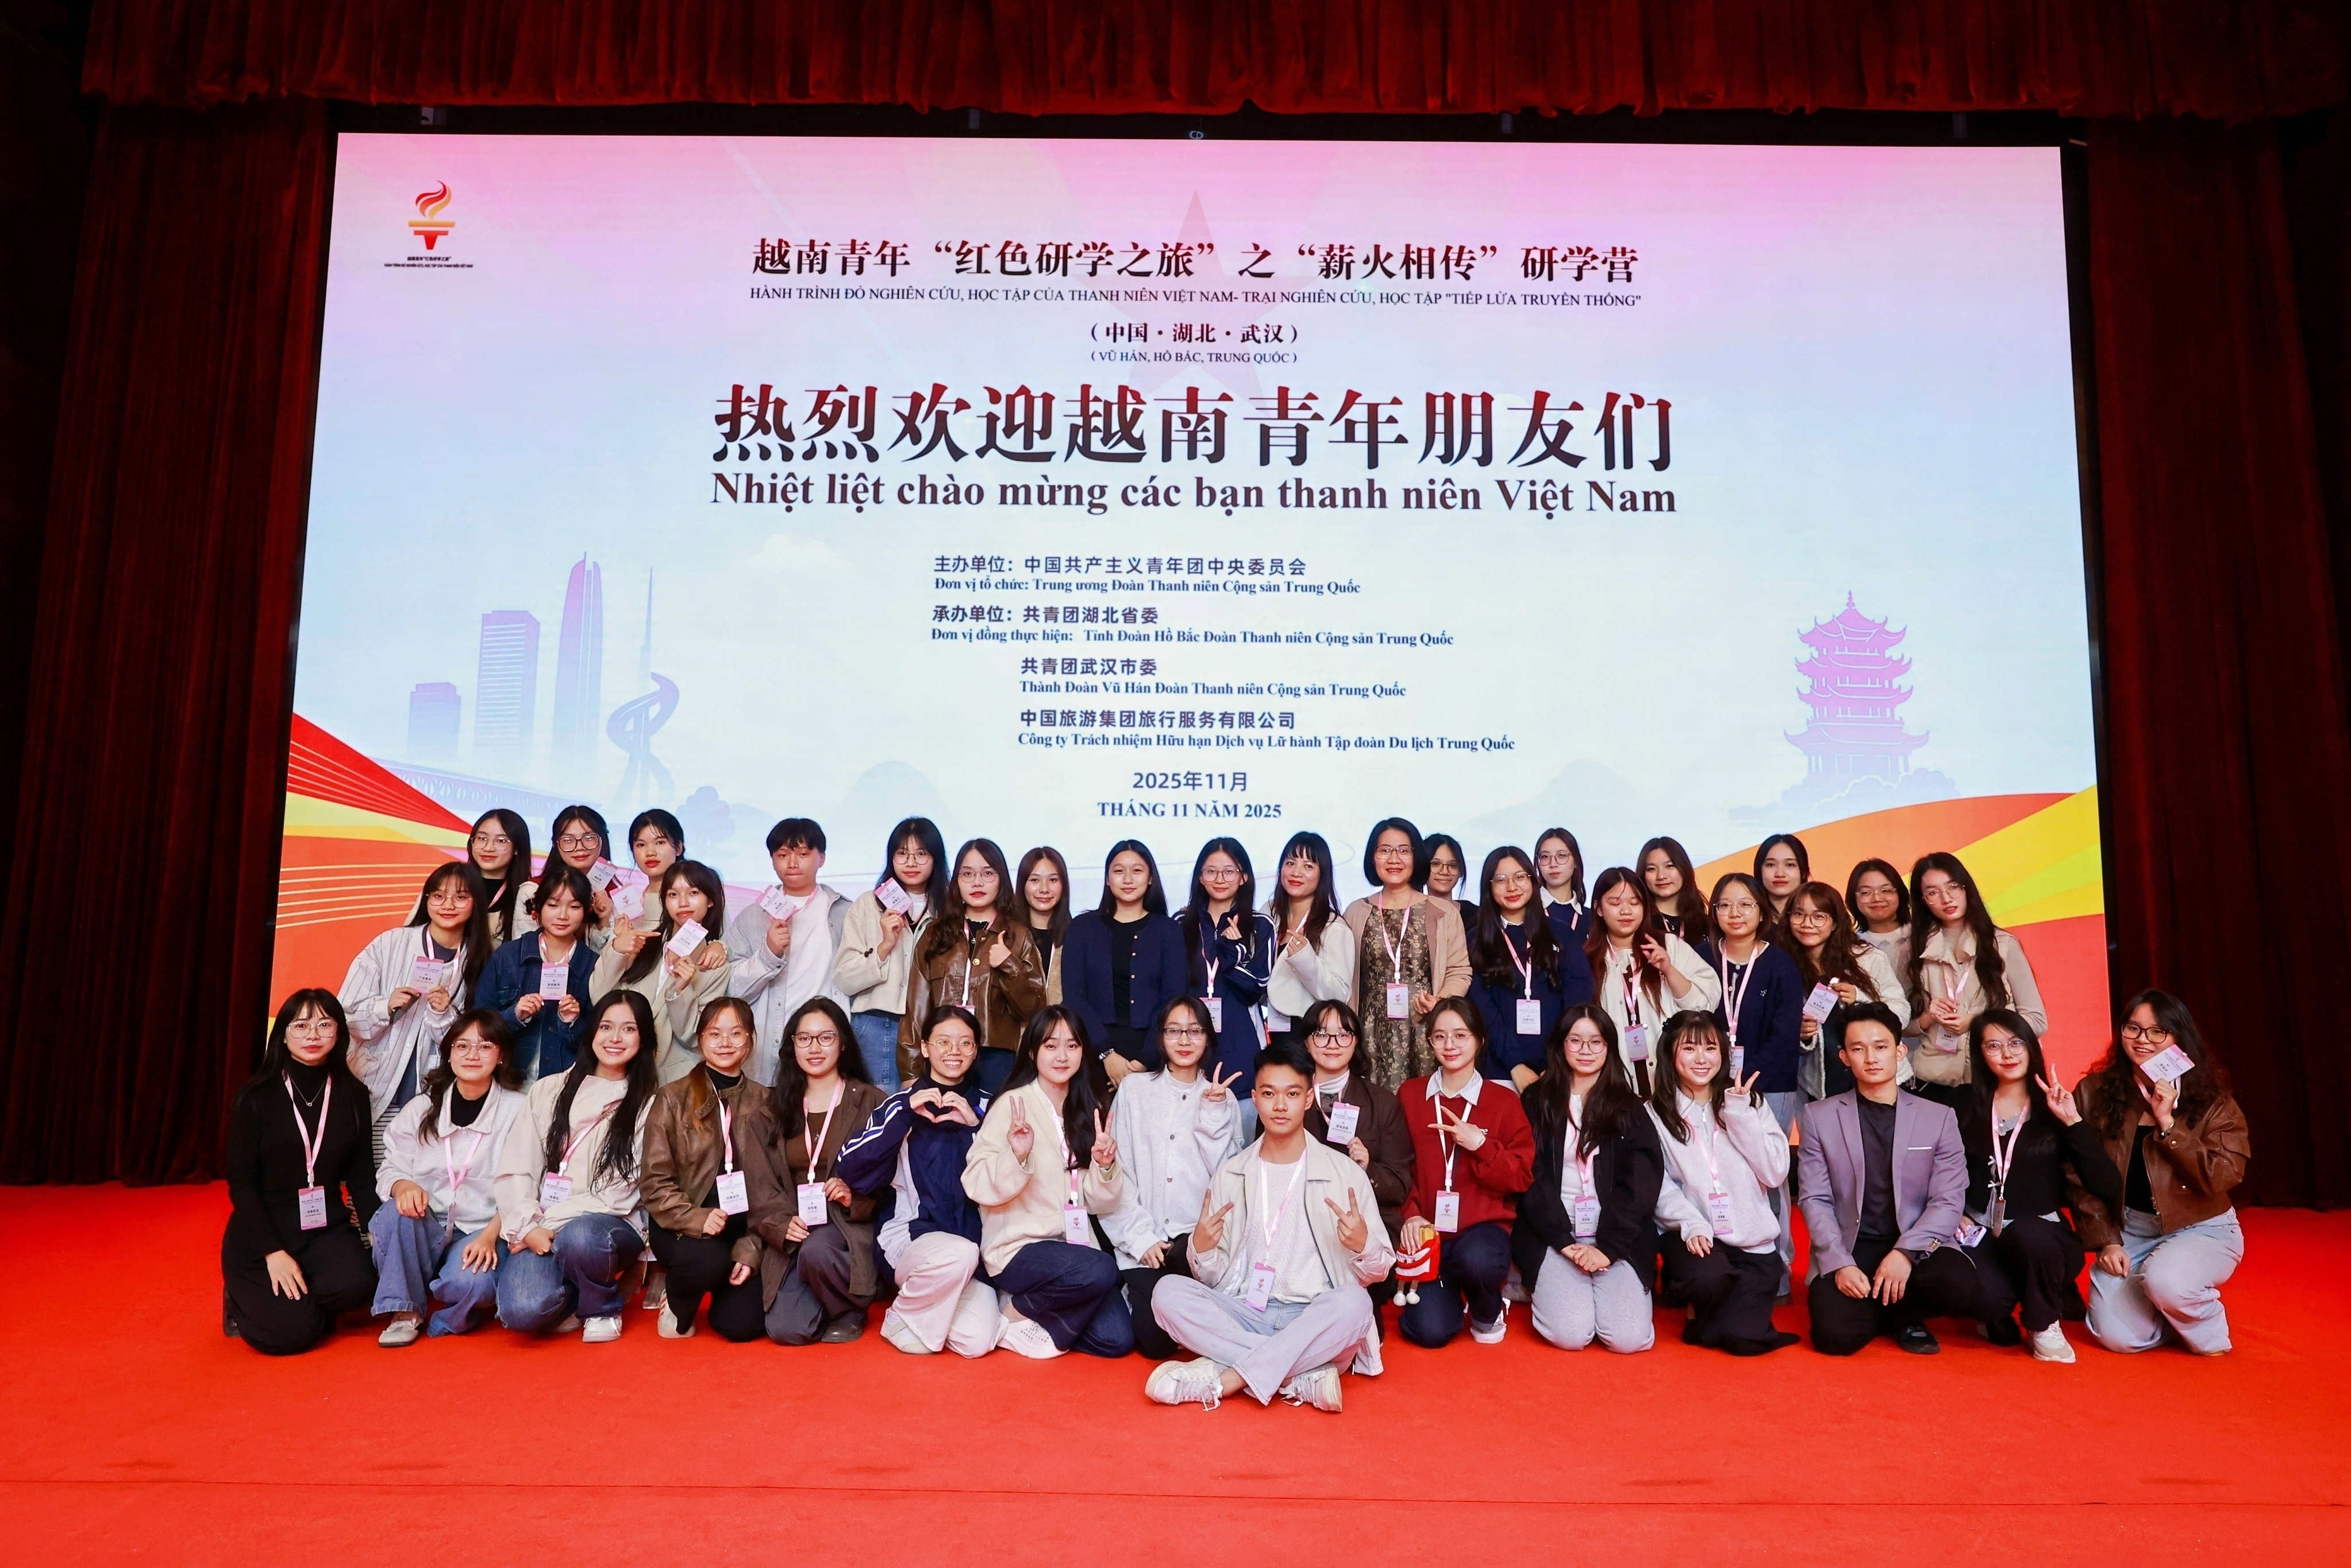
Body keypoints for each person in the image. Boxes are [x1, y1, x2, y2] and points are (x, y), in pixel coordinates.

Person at [1144, 1036, 1395, 1413]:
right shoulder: (1232, 1173)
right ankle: (1298, 1375)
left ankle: (1227, 1377)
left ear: (1308, 1098)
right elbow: (1211, 1278)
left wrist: (1363, 1246)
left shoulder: (1344, 1173)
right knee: (1166, 1293)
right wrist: (1201, 1248)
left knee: (1356, 1304)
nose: (1280, 1105)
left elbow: (1379, 1271)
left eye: (1292, 1094)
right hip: (1246, 1312)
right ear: (1255, 1098)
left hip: (1312, 1316)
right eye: (1268, 1093)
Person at [2070, 990, 2250, 1356]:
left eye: (2158, 1032)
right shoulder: (2094, 1093)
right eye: (2133, 1028)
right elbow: (2076, 1173)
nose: (2143, 1040)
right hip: (2130, 1230)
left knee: (2167, 1282)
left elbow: (2223, 1177)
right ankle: (2169, 1311)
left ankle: (2200, 1322)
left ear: (2179, 1037)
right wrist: (2106, 1239)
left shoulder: (2212, 1099)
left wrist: (2169, 1124)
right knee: (2118, 1339)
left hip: (2201, 1227)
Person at [1796, 1003, 1981, 1354]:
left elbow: (1948, 1200)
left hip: (1913, 1240)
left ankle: (1902, 1313)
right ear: (1844, 1057)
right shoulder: (1819, 1117)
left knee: (1962, 1285)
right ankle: (1892, 1311)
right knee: (1835, 1339)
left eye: (1881, 1047)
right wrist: (1839, 1262)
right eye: (1858, 1049)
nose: (1871, 1058)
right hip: (1852, 1244)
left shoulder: (1939, 1117)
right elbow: (1814, 1199)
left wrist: (1906, 1253)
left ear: (1899, 1052)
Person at [961, 1007, 1132, 1358]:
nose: (1062, 1056)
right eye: (1051, 1046)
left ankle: (1037, 1310)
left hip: (1073, 1247)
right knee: (1102, 1269)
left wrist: (1105, 1167)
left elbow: (1100, 1203)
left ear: (1083, 1051)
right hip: (1019, 1247)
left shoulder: (1088, 1106)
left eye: (1072, 1046)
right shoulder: (1013, 1105)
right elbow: (975, 1183)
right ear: (1032, 1051)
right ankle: (1016, 1309)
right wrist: (1017, 1156)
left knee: (1117, 1339)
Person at [494, 991, 660, 1342]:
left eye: (629, 1029)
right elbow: (518, 1166)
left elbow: (618, 1194)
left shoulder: (650, 1105)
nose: (615, 1038)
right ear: (591, 1031)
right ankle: (575, 1290)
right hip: (541, 1224)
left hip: (608, 1226)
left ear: (644, 1038)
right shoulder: (549, 1090)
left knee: (581, 1236)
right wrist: (526, 1225)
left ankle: (602, 1307)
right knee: (522, 1311)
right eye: (606, 1027)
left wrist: (544, 1224)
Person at [1957, 1010, 2122, 1362]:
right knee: (1985, 1299)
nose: (2007, 1054)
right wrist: (1955, 1211)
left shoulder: (2054, 1108)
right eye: (1994, 1046)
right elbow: (1937, 1169)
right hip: (1978, 1231)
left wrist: (2073, 1121)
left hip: (2041, 1236)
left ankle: (2043, 1321)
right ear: (1979, 1054)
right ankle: (2004, 1305)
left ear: (2032, 1047)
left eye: (2016, 1043)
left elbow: (2106, 1184)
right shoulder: (1962, 1104)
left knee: (2030, 1236)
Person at [837, 1004, 1002, 1357]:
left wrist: (975, 1128)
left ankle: (929, 1308)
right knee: (959, 1253)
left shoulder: (992, 1108)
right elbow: (850, 1168)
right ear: (925, 1048)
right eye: (943, 1042)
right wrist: (905, 1117)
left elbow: (1006, 1179)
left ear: (976, 1051)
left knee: (977, 1341)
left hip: (973, 1248)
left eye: (965, 1043)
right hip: (910, 1238)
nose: (954, 1051)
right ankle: (902, 1314)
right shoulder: (898, 1105)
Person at [221, 991, 379, 1355]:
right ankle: (241, 1299)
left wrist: (380, 1234)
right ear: (283, 1034)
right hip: (265, 1228)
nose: (313, 1035)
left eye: (324, 1025)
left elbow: (361, 1176)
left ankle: (296, 1303)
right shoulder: (255, 1096)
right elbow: (242, 1185)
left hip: (324, 1225)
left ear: (339, 1032)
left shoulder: (353, 1094)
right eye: (301, 1025)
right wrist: (273, 1252)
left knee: (360, 1285)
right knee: (290, 1336)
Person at [367, 1010, 527, 1345]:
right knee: (395, 1213)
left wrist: (491, 1235)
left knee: (471, 1285)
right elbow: (391, 1168)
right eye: (462, 1046)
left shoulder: (519, 1110)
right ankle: (404, 1311)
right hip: (425, 1223)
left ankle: (448, 1310)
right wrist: (403, 1185)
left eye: (485, 1046)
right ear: (449, 1053)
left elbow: (526, 1184)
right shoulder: (421, 1108)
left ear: (501, 1056)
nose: (472, 1055)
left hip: (483, 1229)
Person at [1103, 997, 1248, 1359]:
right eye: (1174, 1031)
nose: (1184, 1041)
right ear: (1161, 1036)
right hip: (1145, 1244)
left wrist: (1214, 1114)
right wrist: (1141, 1238)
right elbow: (1119, 1173)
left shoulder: (1224, 1099)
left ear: (1208, 1037)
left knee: (1177, 1322)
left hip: (1195, 1245)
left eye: (1195, 1031)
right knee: (1154, 1343)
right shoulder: (1135, 1090)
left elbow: (1228, 1182)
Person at [1647, 1010, 1799, 1355]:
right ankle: (1702, 1303)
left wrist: (1740, 1114)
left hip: (1753, 1241)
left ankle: (1706, 1320)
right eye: (1689, 1048)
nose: (1701, 1059)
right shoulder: (1656, 1113)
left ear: (1723, 1054)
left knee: (1743, 1343)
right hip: (1697, 1238)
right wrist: (1692, 1224)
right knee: (1708, 1278)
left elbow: (1775, 1173)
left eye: (1710, 1048)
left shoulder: (1749, 1102)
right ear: (1670, 1053)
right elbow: (1660, 1185)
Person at [738, 997, 887, 1344]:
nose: (815, 1048)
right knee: (787, 1330)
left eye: (826, 1037)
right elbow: (759, 1184)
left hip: (847, 1226)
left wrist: (854, 1197)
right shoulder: (771, 1110)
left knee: (819, 1251)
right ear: (792, 1045)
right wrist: (779, 1223)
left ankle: (849, 1309)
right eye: (804, 1038)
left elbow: (891, 1180)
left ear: (843, 1042)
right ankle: (828, 1291)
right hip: (796, 1226)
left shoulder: (872, 1102)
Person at [1515, 1005, 1662, 1353]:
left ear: (1609, 1046)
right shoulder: (1536, 1101)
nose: (1585, 1050)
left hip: (1617, 1237)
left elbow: (1641, 1184)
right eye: (1575, 1041)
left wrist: (1608, 1250)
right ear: (1560, 1045)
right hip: (1555, 1234)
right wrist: (1564, 1242)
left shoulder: (1629, 1107)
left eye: (1596, 1042)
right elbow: (1529, 1178)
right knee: (1571, 1335)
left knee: (1628, 1340)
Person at [1394, 999, 1534, 1348]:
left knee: (1478, 1260)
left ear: (1479, 1040)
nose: (1450, 1045)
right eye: (1440, 1036)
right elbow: (1399, 1164)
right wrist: (1411, 1215)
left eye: (1460, 1035)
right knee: (1430, 1332)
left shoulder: (1503, 1101)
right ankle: (1450, 1297)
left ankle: (1487, 1308)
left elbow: (1521, 1177)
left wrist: (1481, 1145)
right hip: (1429, 1233)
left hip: (1481, 1233)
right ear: (1430, 1042)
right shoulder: (1411, 1094)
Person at [636, 998, 767, 1341]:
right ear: (700, 1039)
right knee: (707, 1261)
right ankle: (677, 1299)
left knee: (743, 1327)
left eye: (735, 1033)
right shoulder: (672, 1097)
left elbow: (774, 1187)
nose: (725, 1043)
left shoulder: (766, 1102)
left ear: (751, 1040)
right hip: (682, 1223)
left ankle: (723, 1282)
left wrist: (752, 1246)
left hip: (741, 1227)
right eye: (714, 1033)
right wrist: (695, 1218)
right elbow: (654, 1182)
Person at [341, 861, 487, 1154]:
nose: (448, 905)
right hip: (372, 1083)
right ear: (426, 899)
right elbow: (345, 1017)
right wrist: (384, 1007)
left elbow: (470, 1044)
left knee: (414, 1173)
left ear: (476, 903)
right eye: (438, 896)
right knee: (367, 1171)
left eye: (460, 897)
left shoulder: (480, 960)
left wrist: (444, 1014)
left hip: (432, 1093)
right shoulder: (390, 944)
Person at [1709, 872, 1804, 1278]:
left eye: (1745, 904)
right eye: (1725, 904)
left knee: (1768, 1173)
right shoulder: (1702, 957)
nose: (1735, 913)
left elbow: (1785, 1032)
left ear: (1762, 911)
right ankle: (1730, 1264)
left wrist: (1746, 1083)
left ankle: (1777, 1268)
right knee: (1722, 1171)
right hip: (1710, 1087)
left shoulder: (1779, 963)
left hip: (1769, 1086)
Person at [901, 837, 1048, 1096]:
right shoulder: (935, 934)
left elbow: (1035, 1009)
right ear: (956, 881)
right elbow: (916, 1008)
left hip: (997, 1059)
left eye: (988, 873)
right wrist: (911, 1072)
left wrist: (1009, 964)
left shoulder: (1018, 935)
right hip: (942, 1054)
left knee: (993, 1122)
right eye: (967, 874)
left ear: (1001, 879)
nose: (977, 882)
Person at [1904, 851, 2048, 1097]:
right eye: (1933, 892)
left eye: (1953, 887)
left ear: (1966, 888)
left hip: (1996, 1080)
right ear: (1923, 900)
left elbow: (2037, 1021)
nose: (1946, 898)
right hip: (1934, 1081)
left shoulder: (2003, 944)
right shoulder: (1912, 950)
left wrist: (1977, 1023)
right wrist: (1927, 1019)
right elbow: (1900, 1025)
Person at [1298, 999, 1416, 1292]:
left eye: (1343, 1034)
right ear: (1307, 1042)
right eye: (1322, 1034)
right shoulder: (1288, 1097)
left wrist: (1368, 1168)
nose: (1332, 1044)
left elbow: (1400, 1186)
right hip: (1303, 1222)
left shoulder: (1383, 1104)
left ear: (1356, 1042)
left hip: (1368, 1226)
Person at [1344, 818, 1471, 1088]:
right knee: (1372, 1106)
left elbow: (1460, 971)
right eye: (1384, 850)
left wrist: (1440, 1001)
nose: (1394, 859)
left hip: (1425, 1029)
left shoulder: (1443, 912)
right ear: (1373, 857)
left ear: (1417, 856)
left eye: (1404, 850)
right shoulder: (1356, 911)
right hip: (1369, 1033)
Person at [728, 818, 852, 1085]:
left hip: (826, 1043)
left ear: (822, 858)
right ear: (773, 860)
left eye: (803, 854)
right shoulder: (751, 917)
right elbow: (733, 990)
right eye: (783, 855)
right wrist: (769, 952)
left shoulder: (846, 913)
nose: (792, 863)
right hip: (770, 1048)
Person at [588, 859, 730, 1083]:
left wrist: (680, 990)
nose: (683, 903)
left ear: (710, 900)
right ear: (664, 901)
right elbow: (599, 999)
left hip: (670, 1081)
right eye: (673, 895)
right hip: (619, 1071)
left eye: (693, 893)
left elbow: (693, 1037)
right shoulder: (642, 942)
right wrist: (617, 949)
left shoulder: (714, 966)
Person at [833, 816, 945, 1094]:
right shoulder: (868, 905)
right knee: (877, 1105)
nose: (911, 862)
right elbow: (844, 979)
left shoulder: (949, 909)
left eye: (921, 854)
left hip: (933, 1026)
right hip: (877, 1023)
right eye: (902, 853)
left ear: (936, 858)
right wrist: (884, 947)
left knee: (929, 1105)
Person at [1063, 839, 1189, 1082]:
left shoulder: (1169, 931)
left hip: (1152, 1054)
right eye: (1119, 871)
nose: (1128, 879)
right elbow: (1074, 997)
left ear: (1150, 878)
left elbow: (1172, 999)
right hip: (1091, 1051)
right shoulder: (1082, 928)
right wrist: (1106, 1054)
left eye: (1137, 871)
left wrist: (1144, 1061)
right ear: (1107, 879)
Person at [1468, 846, 1594, 1087]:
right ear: (1488, 887)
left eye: (1520, 877)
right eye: (1501, 880)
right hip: (1500, 1070)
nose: (1512, 887)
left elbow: (1578, 998)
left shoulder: (1561, 934)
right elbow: (1482, 1009)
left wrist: (1556, 1061)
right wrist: (1515, 1065)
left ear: (1532, 880)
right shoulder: (1476, 940)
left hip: (1560, 1068)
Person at [1587, 866, 1721, 1089]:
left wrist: (1669, 970)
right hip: (1613, 1085)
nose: (1626, 911)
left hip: (1672, 1083)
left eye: (1634, 903)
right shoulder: (1588, 960)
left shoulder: (1670, 946)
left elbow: (1703, 1006)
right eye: (1615, 903)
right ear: (1599, 908)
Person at [1779, 880, 1911, 1099]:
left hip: (1881, 1081)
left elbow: (1902, 1013)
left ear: (1835, 923)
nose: (1807, 924)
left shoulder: (1868, 959)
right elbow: (1781, 1034)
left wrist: (1860, 1000)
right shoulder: (1783, 967)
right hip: (1823, 1087)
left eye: (1819, 916)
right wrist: (1801, 1035)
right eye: (1799, 914)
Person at [476, 865, 597, 1081]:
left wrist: (572, 1023)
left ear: (587, 910)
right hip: (507, 1081)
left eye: (574, 907)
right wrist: (515, 1015)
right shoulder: (507, 957)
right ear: (538, 907)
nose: (563, 915)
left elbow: (599, 1041)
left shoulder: (594, 966)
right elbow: (478, 1024)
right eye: (553, 905)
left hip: (564, 1083)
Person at [1180, 837, 1275, 1085]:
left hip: (1241, 1042)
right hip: (1187, 1041)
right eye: (1211, 871)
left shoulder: (1260, 925)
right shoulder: (1180, 923)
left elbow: (1256, 989)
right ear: (1200, 878)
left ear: (1244, 878)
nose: (1220, 879)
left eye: (1229, 871)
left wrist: (1235, 952)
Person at [1263, 830, 1356, 1047]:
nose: (1296, 872)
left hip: (1308, 1034)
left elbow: (1339, 995)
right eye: (1290, 863)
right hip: (1269, 1029)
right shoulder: (1268, 913)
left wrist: (1306, 961)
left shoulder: (1334, 927)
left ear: (1323, 875)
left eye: (1308, 866)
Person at [537, 805, 618, 947]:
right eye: (568, 840)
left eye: (589, 838)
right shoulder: (534, 889)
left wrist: (604, 922)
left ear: (602, 841)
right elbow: (521, 948)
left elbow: (615, 957)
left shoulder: (615, 895)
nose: (580, 847)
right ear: (556, 845)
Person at [1015, 845, 1073, 1007]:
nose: (1044, 889)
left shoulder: (1076, 936)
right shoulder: (1009, 936)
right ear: (1022, 884)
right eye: (1035, 880)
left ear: (1064, 885)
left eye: (1053, 880)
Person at [466, 808, 533, 946]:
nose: (488, 848)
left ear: (517, 848)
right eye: (482, 838)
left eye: (501, 841)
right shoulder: (450, 884)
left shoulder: (527, 896)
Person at [1637, 836, 1712, 946]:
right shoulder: (1638, 922)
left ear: (1684, 869)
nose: (1661, 876)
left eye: (1669, 866)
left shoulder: (1706, 923)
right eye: (1652, 869)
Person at [1845, 857, 1911, 975]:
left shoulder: (1922, 935)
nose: (1877, 898)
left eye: (1885, 890)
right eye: (1866, 892)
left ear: (1900, 893)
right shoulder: (1852, 948)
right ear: (1854, 899)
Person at [1534, 826, 1592, 950]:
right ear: (1538, 863)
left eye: (1562, 855)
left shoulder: (1592, 918)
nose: (1553, 864)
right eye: (1545, 857)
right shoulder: (1527, 913)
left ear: (1576, 861)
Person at [1752, 832, 1810, 934]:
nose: (1780, 874)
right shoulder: (1749, 919)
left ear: (1804, 872)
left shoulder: (1819, 918)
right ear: (1760, 871)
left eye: (1790, 865)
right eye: (1771, 865)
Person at [1423, 833, 1472, 926]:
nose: (1445, 872)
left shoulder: (1477, 915)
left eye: (1453, 865)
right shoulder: (1410, 915)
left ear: (1461, 871)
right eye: (1436, 864)